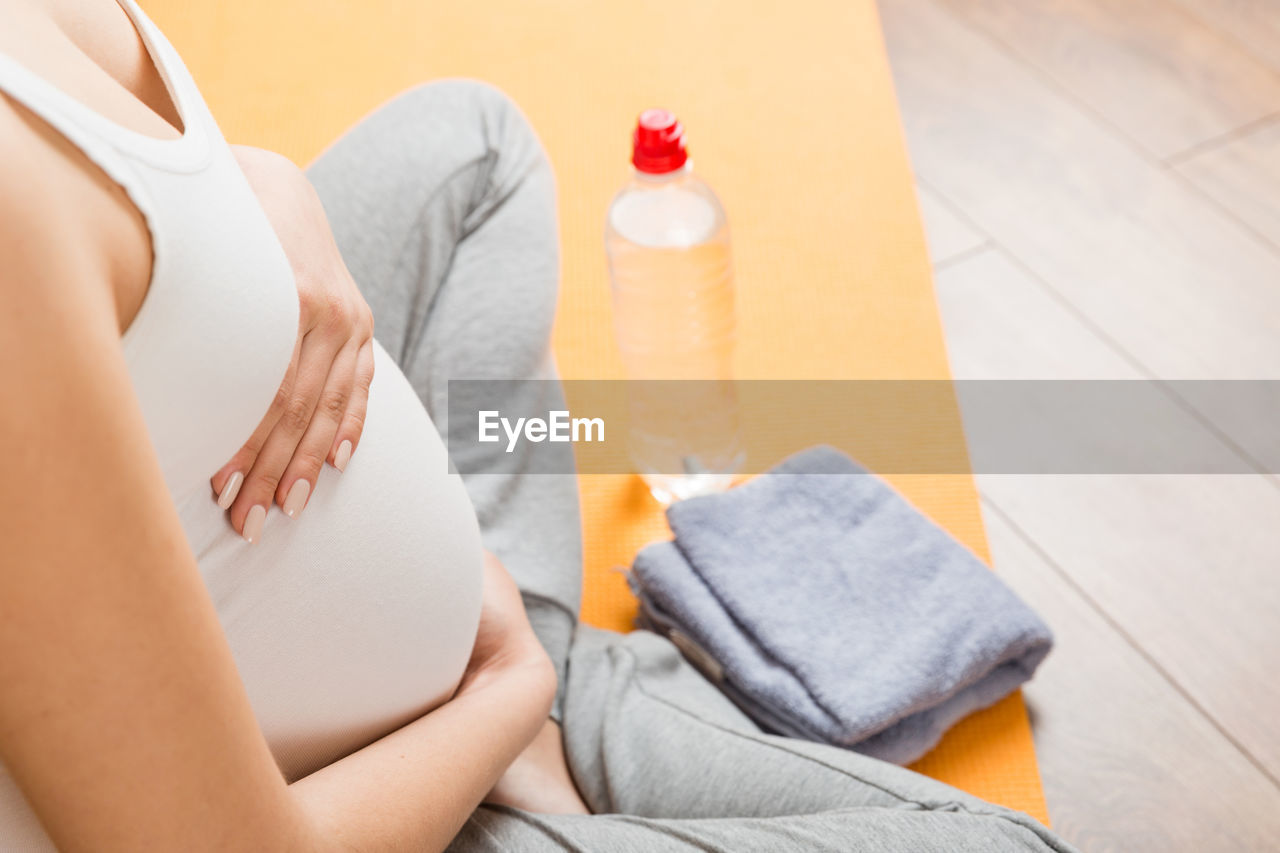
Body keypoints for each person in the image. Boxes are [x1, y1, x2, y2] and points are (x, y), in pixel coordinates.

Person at [0, 0, 1075, 849]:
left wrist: (259, 189)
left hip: (392, 630)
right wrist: (509, 692)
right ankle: (524, 744)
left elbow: (117, 211)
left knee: (474, 149)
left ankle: (530, 650)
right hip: (338, 796)